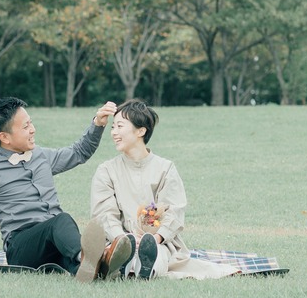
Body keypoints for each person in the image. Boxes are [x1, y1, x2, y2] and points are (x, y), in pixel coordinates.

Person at [0, 97, 134, 282]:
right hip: (22, 247)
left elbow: (79, 152)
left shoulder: (41, 156)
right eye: (25, 127)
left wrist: (98, 123)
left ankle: (98, 268)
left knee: (66, 248)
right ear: (4, 137)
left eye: (30, 123)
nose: (33, 129)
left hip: (54, 242)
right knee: (61, 221)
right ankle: (90, 257)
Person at [90, 99, 238, 280]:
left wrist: (156, 238)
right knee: (115, 254)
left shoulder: (165, 168)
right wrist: (122, 240)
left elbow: (174, 211)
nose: (114, 132)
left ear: (141, 131)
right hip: (117, 241)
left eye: (120, 126)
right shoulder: (106, 170)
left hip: (156, 242)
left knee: (157, 257)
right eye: (113, 127)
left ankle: (141, 268)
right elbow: (104, 214)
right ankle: (124, 263)